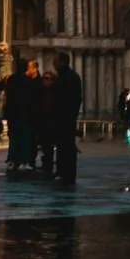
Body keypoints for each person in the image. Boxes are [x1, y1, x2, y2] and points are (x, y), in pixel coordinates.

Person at [44, 53, 83, 187]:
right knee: (62, 146)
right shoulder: (68, 77)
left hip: (64, 117)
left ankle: (67, 173)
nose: (54, 63)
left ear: (62, 62)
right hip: (65, 117)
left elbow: (67, 99)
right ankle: (63, 171)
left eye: (55, 61)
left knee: (66, 146)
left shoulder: (67, 79)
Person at [4, 58, 41, 176]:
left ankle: (13, 160)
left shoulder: (12, 80)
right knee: (25, 138)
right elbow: (33, 100)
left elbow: (8, 98)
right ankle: (24, 160)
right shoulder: (29, 82)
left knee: (14, 138)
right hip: (26, 115)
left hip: (13, 115)